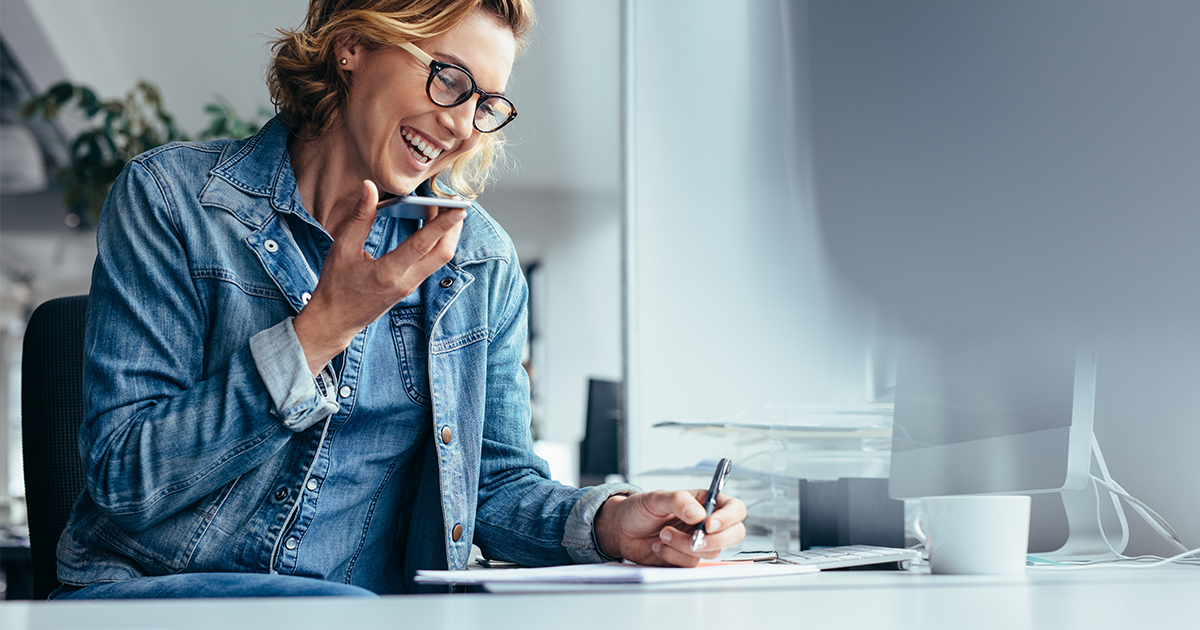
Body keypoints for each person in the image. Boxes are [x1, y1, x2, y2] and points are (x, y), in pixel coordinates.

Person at [51, 0, 746, 599]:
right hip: (151, 600)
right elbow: (126, 479)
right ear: (352, 45)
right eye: (449, 79)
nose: (464, 124)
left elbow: (495, 489)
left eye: (485, 103)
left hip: (356, 613)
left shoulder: (479, 261)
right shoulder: (175, 199)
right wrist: (322, 327)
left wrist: (611, 523)